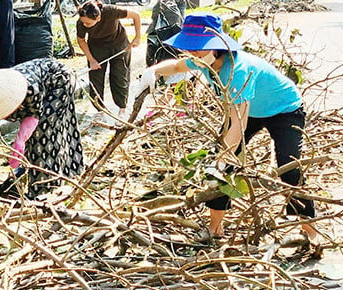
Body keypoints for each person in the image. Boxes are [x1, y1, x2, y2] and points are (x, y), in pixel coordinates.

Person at [135, 13, 319, 242]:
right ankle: (215, 228)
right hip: (251, 111)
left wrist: (222, 161)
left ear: (216, 46)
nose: (193, 53)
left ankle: (310, 231)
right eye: (190, 48)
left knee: (289, 169)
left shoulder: (238, 71)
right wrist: (152, 71)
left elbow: (237, 125)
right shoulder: (203, 60)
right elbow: (175, 66)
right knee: (222, 167)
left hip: (285, 109)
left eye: (198, 48)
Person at [0, 58, 84, 199]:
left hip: (58, 81)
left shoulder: (28, 88)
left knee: (42, 134)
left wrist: (20, 140)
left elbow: (35, 114)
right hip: (36, 94)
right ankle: (26, 173)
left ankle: (44, 190)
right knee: (35, 138)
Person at [76, 0, 142, 117]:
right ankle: (100, 110)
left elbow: (135, 15)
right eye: (83, 22)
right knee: (95, 77)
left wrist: (137, 36)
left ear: (99, 18)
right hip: (97, 46)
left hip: (119, 43)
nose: (85, 25)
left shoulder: (111, 11)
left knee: (120, 75)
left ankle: (122, 109)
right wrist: (91, 60)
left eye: (88, 23)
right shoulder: (81, 22)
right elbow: (81, 40)